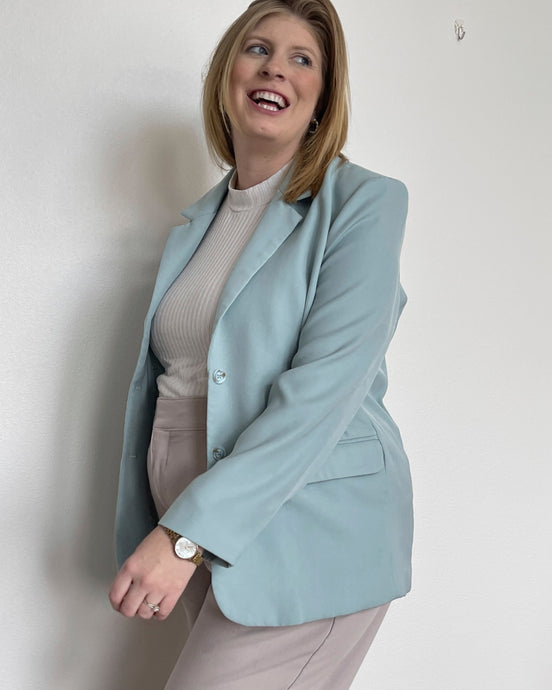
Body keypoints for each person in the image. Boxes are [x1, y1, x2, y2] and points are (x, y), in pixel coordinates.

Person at [109, 0, 413, 687]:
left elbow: (321, 397)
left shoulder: (365, 204)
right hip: (210, 536)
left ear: (322, 98)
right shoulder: (195, 227)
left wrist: (187, 535)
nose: (275, 67)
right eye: (257, 49)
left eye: (302, 58)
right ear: (227, 73)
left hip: (308, 532)